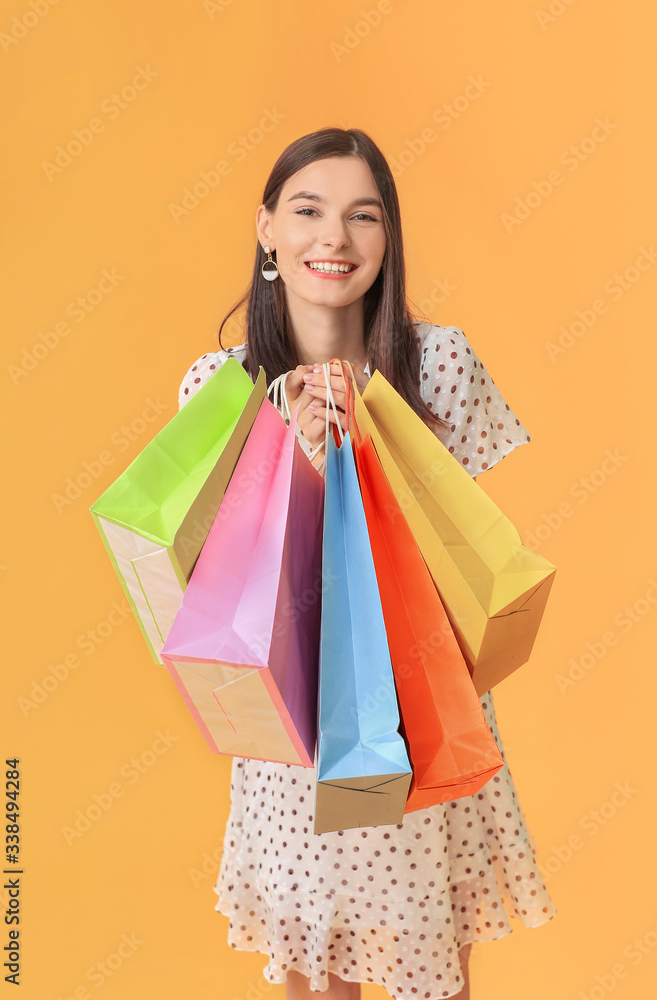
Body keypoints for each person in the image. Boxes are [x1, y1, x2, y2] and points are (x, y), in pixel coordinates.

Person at [178, 127, 557, 1000]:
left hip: (419, 712)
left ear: (387, 240)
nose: (333, 240)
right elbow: (220, 583)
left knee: (433, 976)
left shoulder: (440, 367)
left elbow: (459, 563)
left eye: (362, 216)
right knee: (315, 980)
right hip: (293, 734)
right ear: (267, 229)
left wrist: (378, 450)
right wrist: (295, 463)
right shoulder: (221, 388)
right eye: (307, 211)